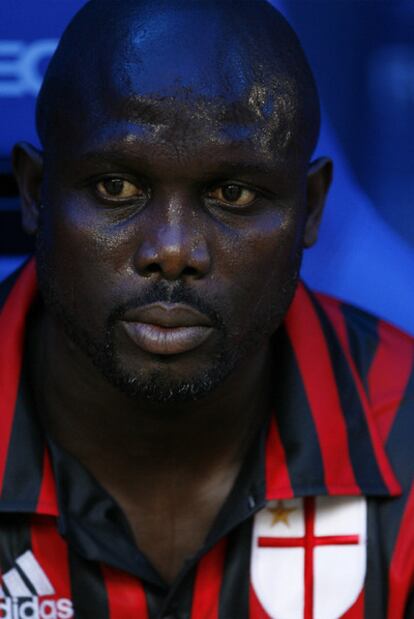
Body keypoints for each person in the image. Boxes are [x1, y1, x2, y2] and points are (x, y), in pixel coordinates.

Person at [1, 0, 412, 617]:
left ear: (312, 208)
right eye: (117, 187)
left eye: (233, 193)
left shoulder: (404, 421)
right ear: (36, 193)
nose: (172, 250)